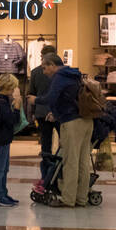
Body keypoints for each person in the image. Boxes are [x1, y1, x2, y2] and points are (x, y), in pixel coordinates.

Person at [41, 53, 93, 208]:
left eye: (45, 68)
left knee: (70, 161)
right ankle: (81, 198)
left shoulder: (60, 76)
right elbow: (69, 99)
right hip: (86, 121)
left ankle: (68, 199)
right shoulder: (74, 75)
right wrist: (56, 114)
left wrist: (35, 100)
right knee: (83, 162)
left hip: (71, 123)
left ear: (52, 65)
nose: (44, 72)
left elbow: (51, 97)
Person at [26, 44, 60, 182]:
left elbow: (31, 95)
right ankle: (58, 172)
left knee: (45, 146)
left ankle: (46, 175)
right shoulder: (60, 72)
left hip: (41, 112)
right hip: (58, 112)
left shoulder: (35, 72)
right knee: (64, 145)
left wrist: (33, 113)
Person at [0, 73, 20, 207]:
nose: (14, 90)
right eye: (13, 87)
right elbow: (12, 121)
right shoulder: (2, 103)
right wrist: (17, 109)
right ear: (8, 87)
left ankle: (3, 192)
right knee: (0, 168)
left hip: (3, 138)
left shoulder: (0, 100)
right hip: (3, 138)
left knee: (4, 167)